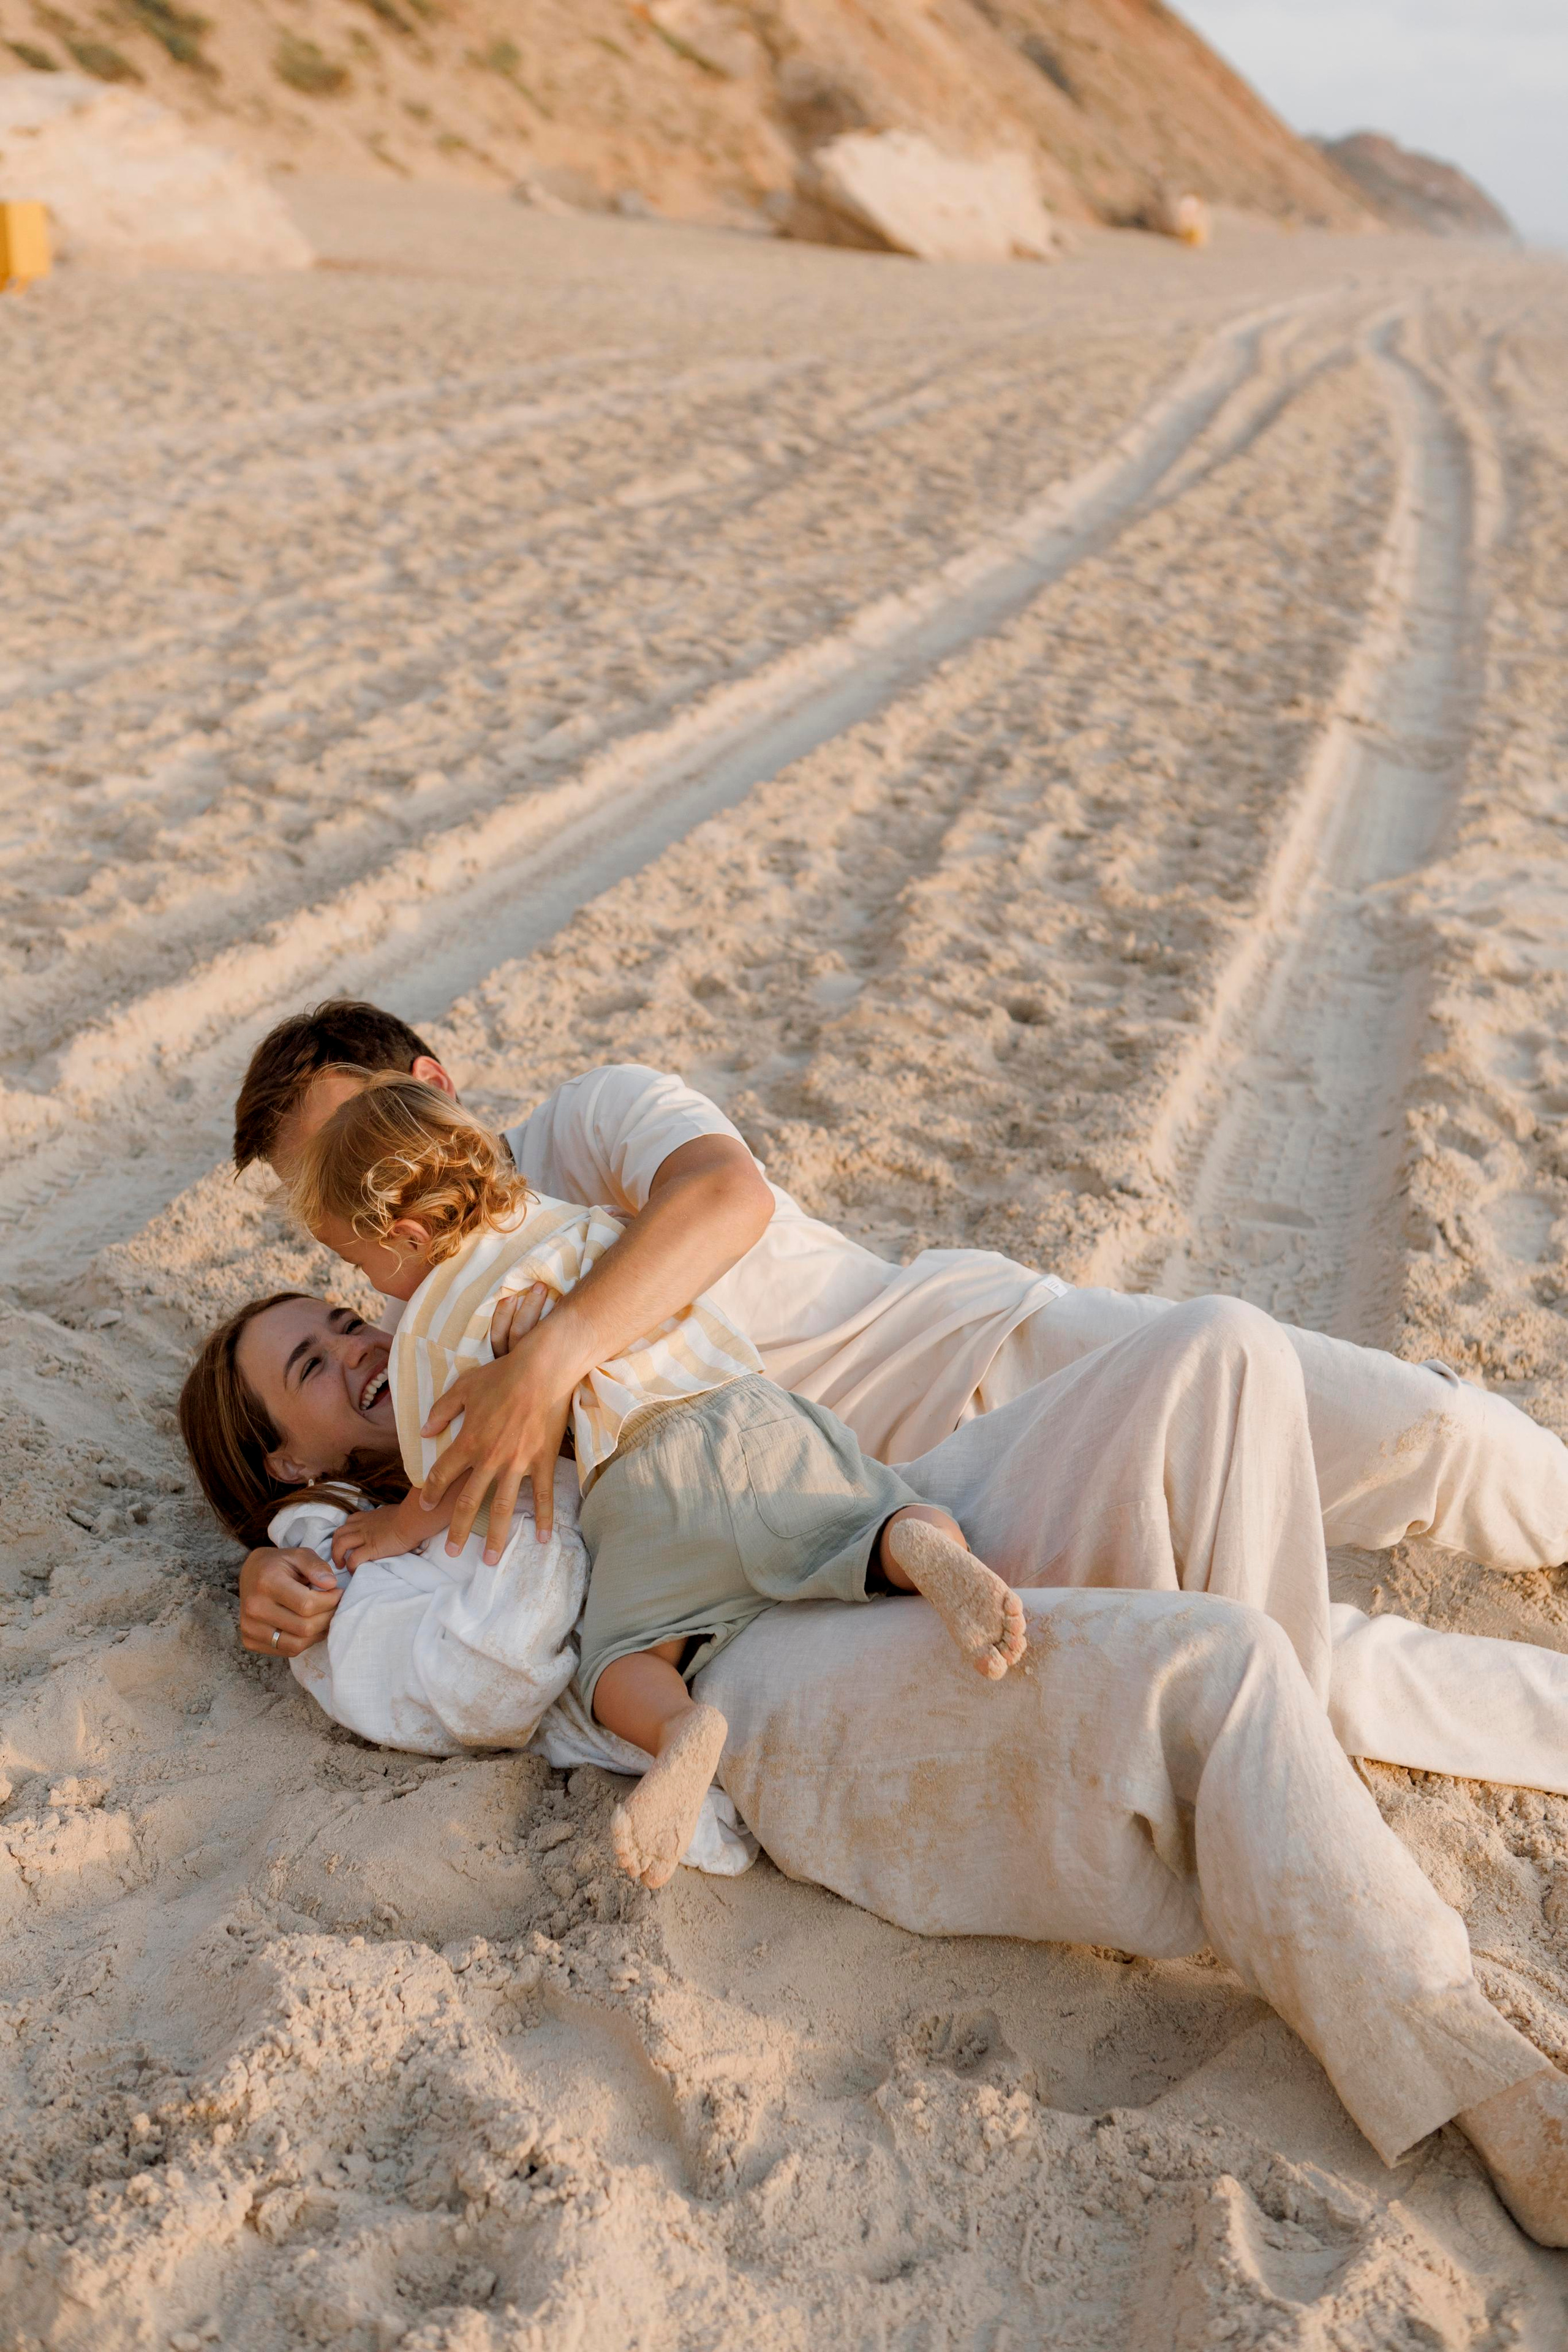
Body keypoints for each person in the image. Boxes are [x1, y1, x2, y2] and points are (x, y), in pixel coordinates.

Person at [177, 1278, 1568, 2245]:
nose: (357, 1344)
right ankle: (1472, 2061)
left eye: (346, 1319)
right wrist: (453, 1487)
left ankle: (1296, 1830)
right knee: (1220, 1667)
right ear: (288, 1466)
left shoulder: (481, 1365)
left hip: (833, 1513)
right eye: (310, 1367)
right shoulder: (342, 1573)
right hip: (745, 1664)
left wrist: (544, 1374)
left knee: (1216, 1347)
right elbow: (503, 1671)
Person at [230, 1003, 1568, 1665]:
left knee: (1428, 1436)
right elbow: (408, 1519)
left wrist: (552, 1352)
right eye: (320, 1200)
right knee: (1295, 1657)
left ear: (429, 1088)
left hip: (986, 1353)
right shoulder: (413, 1339)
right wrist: (281, 1579)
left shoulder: (585, 1121)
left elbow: (722, 1199)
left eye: (350, 1145)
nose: (350, 1211)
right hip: (889, 1530)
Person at [285, 1069, 1027, 1883]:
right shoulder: (589, 1225)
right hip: (753, 1420)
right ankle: (926, 1551)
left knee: (622, 1666)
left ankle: (679, 1732)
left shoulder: (432, 1325)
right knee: (879, 1517)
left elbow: (468, 1470)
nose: (369, 1290)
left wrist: (396, 1527)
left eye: (356, 1262)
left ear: (407, 1236)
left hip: (639, 1498)